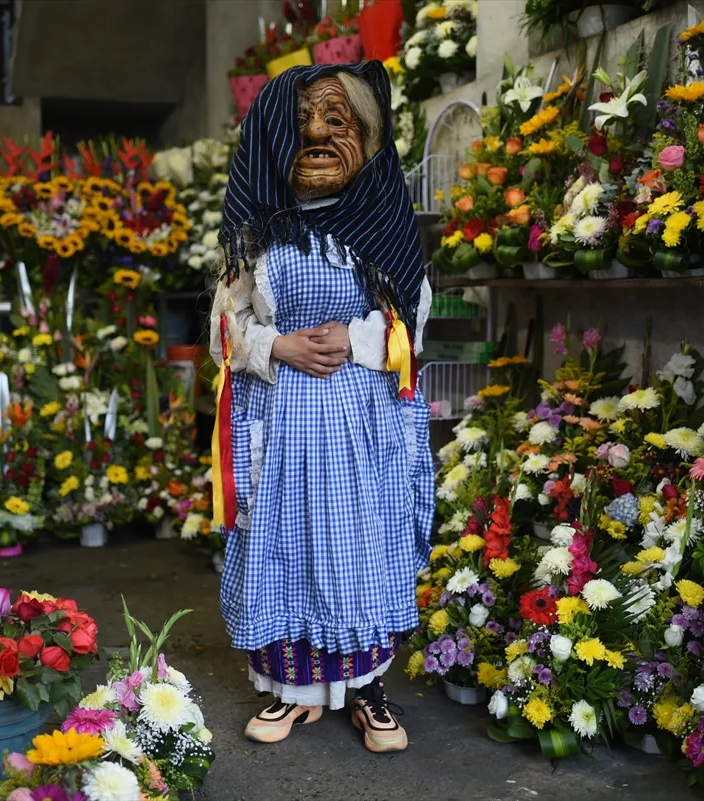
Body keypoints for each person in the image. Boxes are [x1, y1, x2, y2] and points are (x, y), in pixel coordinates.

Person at [209, 61, 433, 754]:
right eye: (304, 118)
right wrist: (276, 345)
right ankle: (290, 689)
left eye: (338, 120)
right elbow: (225, 324)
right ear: (275, 134)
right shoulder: (257, 226)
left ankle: (367, 687)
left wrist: (357, 338)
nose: (317, 132)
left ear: (366, 131)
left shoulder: (384, 215)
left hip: (362, 424)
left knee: (362, 545)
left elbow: (411, 321)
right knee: (285, 543)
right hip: (280, 422)